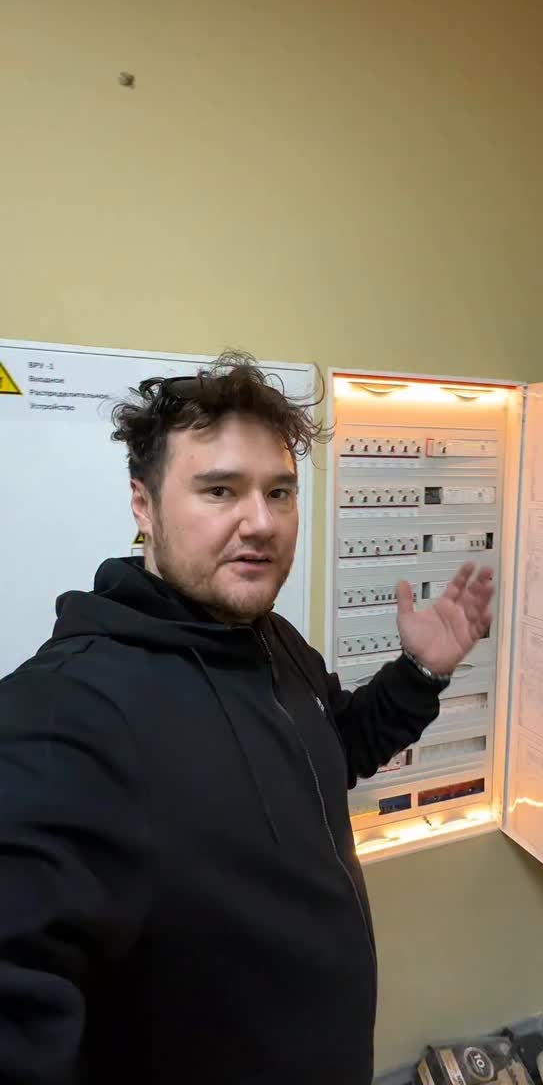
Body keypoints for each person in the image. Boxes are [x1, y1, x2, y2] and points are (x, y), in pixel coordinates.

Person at [0, 352, 493, 1085]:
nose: (260, 522)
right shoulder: (67, 712)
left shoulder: (270, 640)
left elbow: (332, 751)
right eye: (220, 490)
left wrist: (419, 675)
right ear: (143, 505)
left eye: (279, 492)